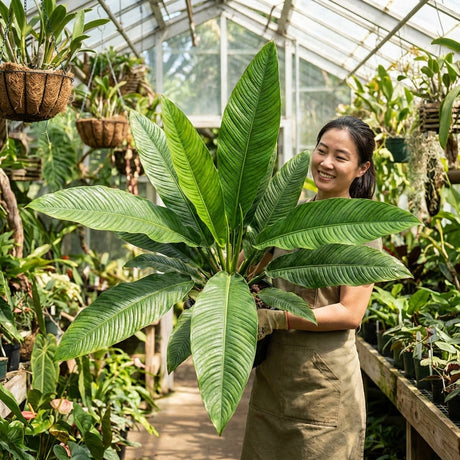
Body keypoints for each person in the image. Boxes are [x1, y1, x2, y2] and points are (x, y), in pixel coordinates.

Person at [241, 115, 381, 460]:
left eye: (340, 156)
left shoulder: (359, 228)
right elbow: (248, 271)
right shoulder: (288, 218)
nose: (326, 163)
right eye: (321, 151)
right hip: (274, 379)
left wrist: (277, 319)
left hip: (324, 385)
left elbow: (350, 313)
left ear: (361, 168)